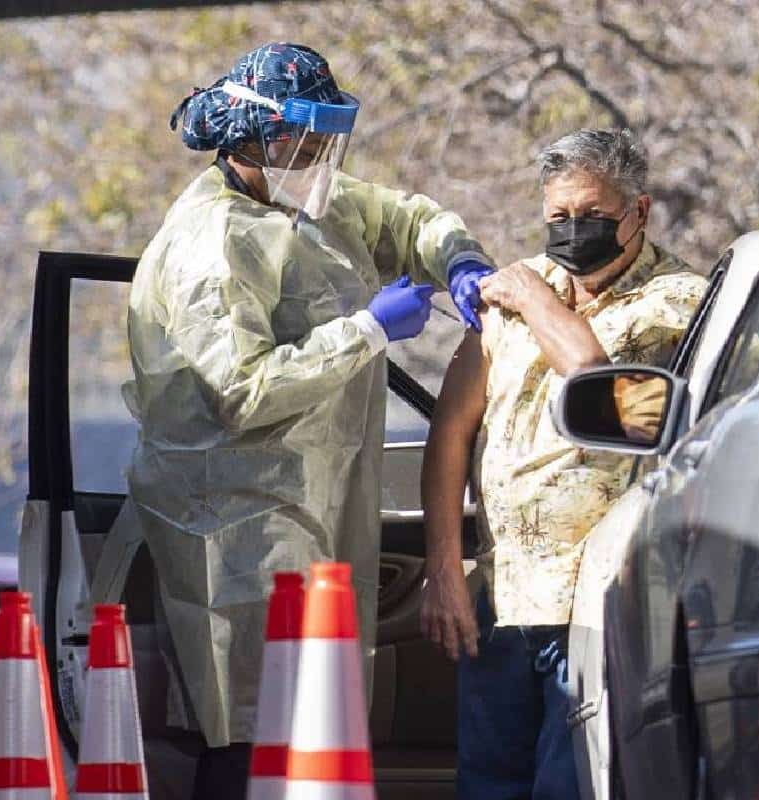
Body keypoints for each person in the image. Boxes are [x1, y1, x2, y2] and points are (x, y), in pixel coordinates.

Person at [97, 42, 494, 799]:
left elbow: (404, 218)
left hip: (308, 504)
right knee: (250, 725)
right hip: (234, 521)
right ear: (247, 140)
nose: (317, 159)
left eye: (323, 143)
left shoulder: (309, 203)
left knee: (313, 726)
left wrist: (459, 261)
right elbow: (240, 391)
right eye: (301, 144)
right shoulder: (212, 243)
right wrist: (368, 331)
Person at [419, 128, 708, 799]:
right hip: (505, 595)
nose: (573, 232)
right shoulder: (515, 296)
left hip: (598, 604)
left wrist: (533, 298)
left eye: (592, 217)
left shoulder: (675, 299)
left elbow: (592, 374)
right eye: (558, 217)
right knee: (489, 785)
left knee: (567, 785)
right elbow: (452, 432)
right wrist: (444, 569)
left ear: (639, 211)